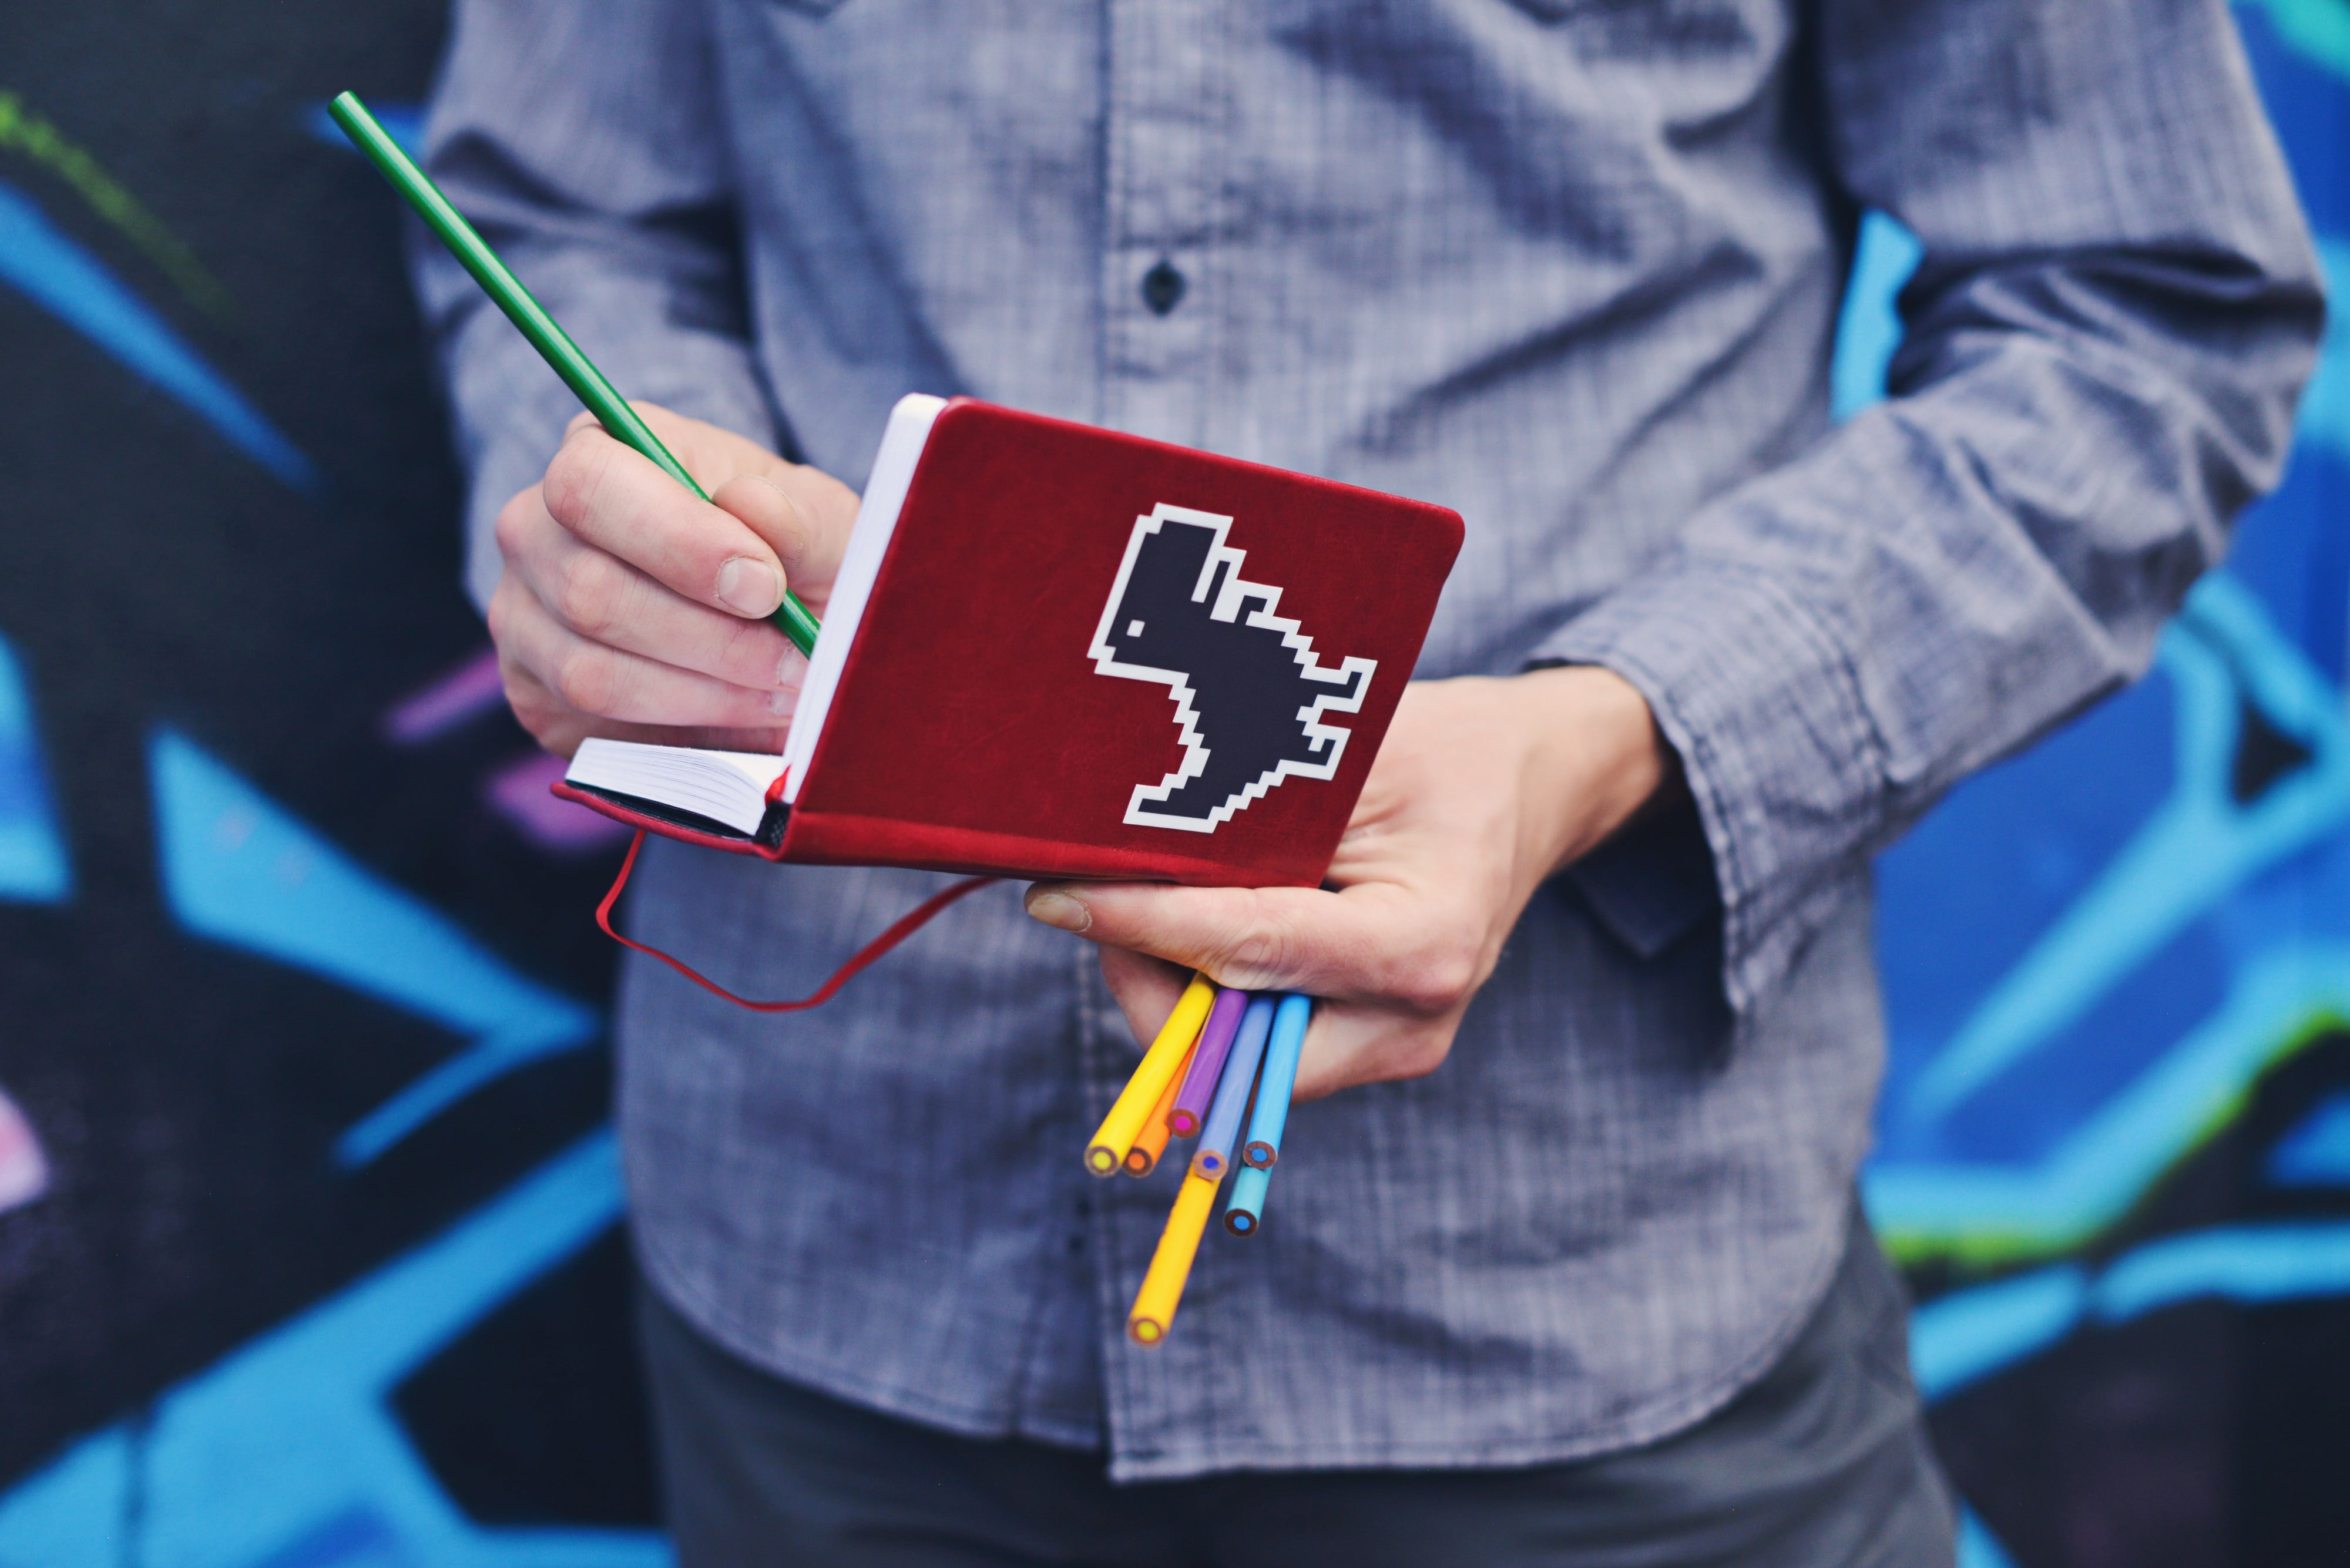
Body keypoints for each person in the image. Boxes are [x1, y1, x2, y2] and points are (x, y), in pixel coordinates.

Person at [413, 2, 2320, 1562]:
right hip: (840, 1268)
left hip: (1586, 1291)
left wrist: (1606, 736)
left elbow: (2139, 312)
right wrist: (628, 520)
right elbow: (561, 213)